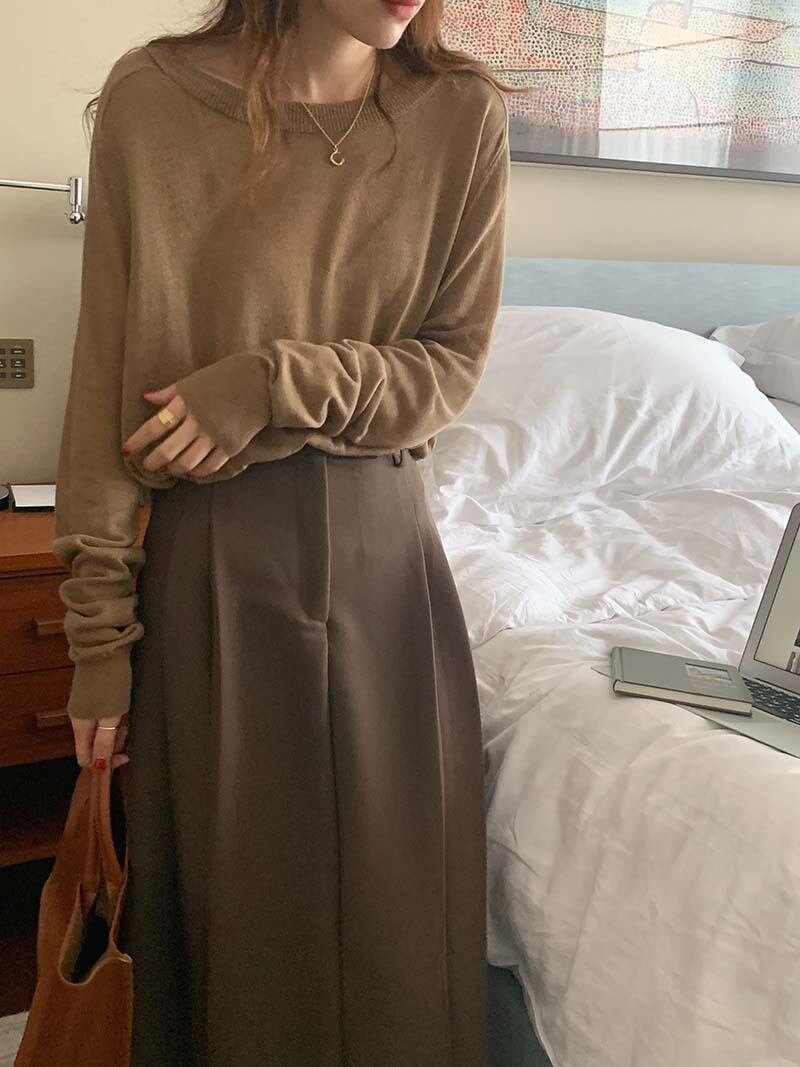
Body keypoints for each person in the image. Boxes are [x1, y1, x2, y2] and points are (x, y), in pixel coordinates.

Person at [52, 1, 513, 1063]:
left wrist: (269, 383)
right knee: (239, 930)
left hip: (388, 557)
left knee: (397, 928)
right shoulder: (153, 102)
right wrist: (97, 640)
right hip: (212, 555)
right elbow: (102, 387)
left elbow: (449, 368)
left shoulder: (460, 114)